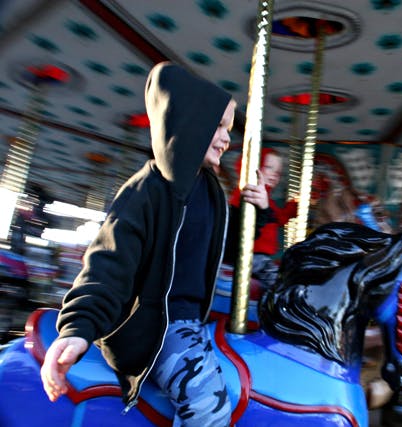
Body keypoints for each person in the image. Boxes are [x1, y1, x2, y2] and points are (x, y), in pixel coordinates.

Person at [39, 62, 268, 427]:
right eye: (219, 127)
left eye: (228, 128)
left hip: (196, 320)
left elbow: (217, 250)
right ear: (191, 122)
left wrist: (260, 213)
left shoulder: (211, 190)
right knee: (210, 408)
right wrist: (78, 328)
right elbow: (107, 266)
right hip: (160, 328)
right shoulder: (145, 191)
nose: (227, 138)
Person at [225, 148, 297, 289]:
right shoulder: (246, 193)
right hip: (251, 255)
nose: (275, 174)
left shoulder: (269, 202)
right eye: (269, 167)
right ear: (255, 168)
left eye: (278, 172)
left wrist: (293, 207)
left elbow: (278, 218)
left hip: (262, 256)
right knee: (281, 285)